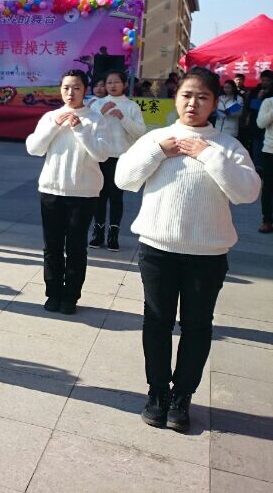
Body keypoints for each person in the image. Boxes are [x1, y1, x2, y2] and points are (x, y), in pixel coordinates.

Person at [115, 67, 260, 432]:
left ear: (215, 102)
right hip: (157, 250)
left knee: (197, 327)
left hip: (207, 255)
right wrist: (157, 153)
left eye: (202, 97)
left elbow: (247, 192)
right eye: (186, 95)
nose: (193, 103)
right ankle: (157, 394)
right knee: (157, 323)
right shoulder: (157, 138)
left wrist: (208, 155)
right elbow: (124, 179)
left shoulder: (227, 146)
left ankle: (182, 396)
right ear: (176, 98)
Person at [25, 69, 109, 315]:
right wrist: (54, 126)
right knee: (52, 246)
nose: (70, 93)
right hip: (51, 190)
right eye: (66, 88)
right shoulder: (51, 117)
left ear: (85, 90)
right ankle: (53, 293)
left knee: (76, 247)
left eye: (76, 88)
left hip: (83, 193)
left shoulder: (95, 119)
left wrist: (81, 130)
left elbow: (102, 154)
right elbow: (34, 148)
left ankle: (70, 296)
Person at [89, 70, 145, 252]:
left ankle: (113, 235)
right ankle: (98, 233)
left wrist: (122, 117)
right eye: (109, 82)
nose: (112, 85)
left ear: (124, 84)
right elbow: (89, 129)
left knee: (116, 197)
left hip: (121, 158)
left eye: (116, 82)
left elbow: (140, 132)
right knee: (99, 196)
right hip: (100, 156)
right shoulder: (98, 104)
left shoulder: (131, 106)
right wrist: (102, 113)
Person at [258, 92, 273, 233]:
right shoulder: (269, 102)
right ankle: (267, 220)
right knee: (268, 187)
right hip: (270, 151)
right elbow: (260, 123)